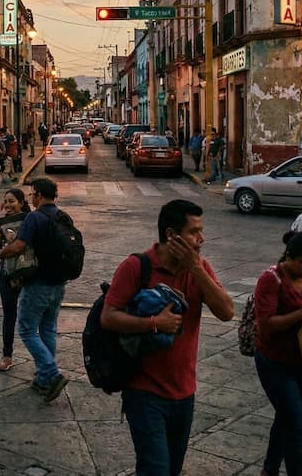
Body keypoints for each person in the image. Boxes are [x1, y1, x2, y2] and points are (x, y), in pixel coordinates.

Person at [100, 200, 235, 475]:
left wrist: (196, 268)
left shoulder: (200, 268)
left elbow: (226, 312)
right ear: (172, 235)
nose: (202, 239)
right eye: (194, 232)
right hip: (144, 391)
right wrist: (154, 323)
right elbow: (108, 316)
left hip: (184, 392)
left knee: (172, 469)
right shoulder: (136, 266)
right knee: (155, 469)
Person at [252, 231, 302, 476]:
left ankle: (269, 469)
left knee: (287, 418)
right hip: (274, 361)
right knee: (296, 425)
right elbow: (266, 324)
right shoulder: (271, 279)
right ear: (288, 257)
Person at [0, 178, 72, 402]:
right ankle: (42, 379)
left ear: (38, 195)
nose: (32, 198)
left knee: (28, 330)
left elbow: (19, 246)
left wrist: (2, 253)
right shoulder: (63, 216)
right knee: (47, 329)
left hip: (39, 283)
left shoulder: (35, 217)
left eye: (32, 195)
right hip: (59, 284)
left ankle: (52, 372)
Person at [0, 188, 30, 372]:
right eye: (6, 201)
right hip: (7, 273)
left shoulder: (29, 219)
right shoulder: (0, 222)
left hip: (27, 273)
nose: (8, 205)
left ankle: (40, 355)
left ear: (21, 203)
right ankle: (7, 356)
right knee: (9, 314)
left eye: (12, 201)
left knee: (30, 317)